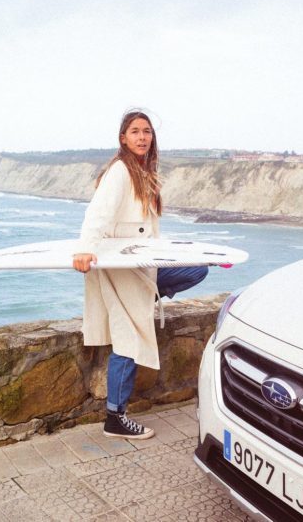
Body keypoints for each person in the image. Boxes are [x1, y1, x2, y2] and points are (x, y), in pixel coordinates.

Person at [73, 110, 207, 439]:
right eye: (135, 131)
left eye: (147, 131)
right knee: (128, 336)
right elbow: (98, 213)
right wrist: (85, 248)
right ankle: (115, 418)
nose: (142, 137)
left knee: (198, 269)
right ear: (123, 137)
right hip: (120, 268)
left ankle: (153, 292)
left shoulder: (143, 172)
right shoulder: (119, 171)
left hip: (139, 265)